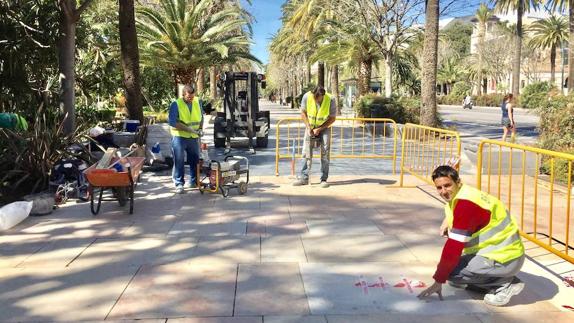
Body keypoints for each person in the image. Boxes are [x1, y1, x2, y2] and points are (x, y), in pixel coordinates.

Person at [417, 165, 525, 307]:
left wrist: (438, 281)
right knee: (455, 276)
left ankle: (506, 283)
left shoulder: (466, 205)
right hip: (502, 254)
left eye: (447, 185)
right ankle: (488, 281)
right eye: (439, 188)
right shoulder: (464, 193)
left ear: (458, 182)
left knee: (450, 273)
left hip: (505, 258)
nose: (443, 191)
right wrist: (447, 222)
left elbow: (453, 248)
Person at [292, 86, 336, 188]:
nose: (316, 100)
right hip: (310, 127)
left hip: (324, 127)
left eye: (318, 98)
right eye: (315, 97)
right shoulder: (307, 97)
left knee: (325, 152)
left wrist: (319, 129)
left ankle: (323, 179)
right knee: (305, 152)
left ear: (323, 95)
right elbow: (303, 113)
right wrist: (308, 127)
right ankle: (304, 178)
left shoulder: (331, 99)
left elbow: (332, 118)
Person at [168, 85, 204, 194]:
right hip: (179, 137)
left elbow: (201, 116)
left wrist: (200, 129)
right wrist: (189, 129)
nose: (191, 99)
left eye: (192, 97)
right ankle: (179, 184)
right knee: (179, 160)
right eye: (189, 97)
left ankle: (194, 181)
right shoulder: (176, 104)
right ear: (183, 95)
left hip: (193, 137)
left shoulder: (197, 101)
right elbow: (173, 122)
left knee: (195, 159)